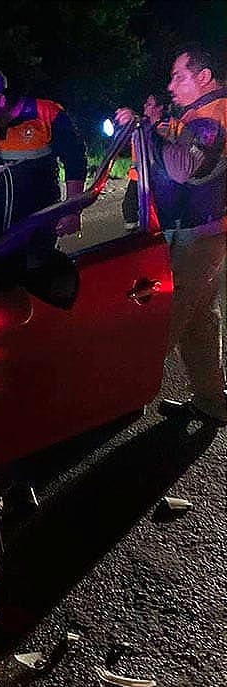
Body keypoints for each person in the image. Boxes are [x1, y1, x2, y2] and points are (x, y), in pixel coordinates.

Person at [116, 43, 227, 425]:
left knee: (166, 317)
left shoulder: (213, 117)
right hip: (202, 229)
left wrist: (145, 130)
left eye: (178, 76)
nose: (171, 84)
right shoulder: (197, 114)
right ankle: (212, 399)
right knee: (200, 319)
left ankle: (114, 399)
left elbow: (181, 169)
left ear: (203, 77)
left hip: (200, 233)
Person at [0, 66, 87, 238]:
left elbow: (75, 162)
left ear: (1, 100)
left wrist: (72, 212)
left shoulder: (46, 114)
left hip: (38, 218)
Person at [122, 94, 169, 230]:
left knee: (150, 210)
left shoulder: (164, 127)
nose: (144, 106)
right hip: (138, 175)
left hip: (151, 177)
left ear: (159, 108)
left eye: (149, 104)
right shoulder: (143, 125)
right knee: (129, 207)